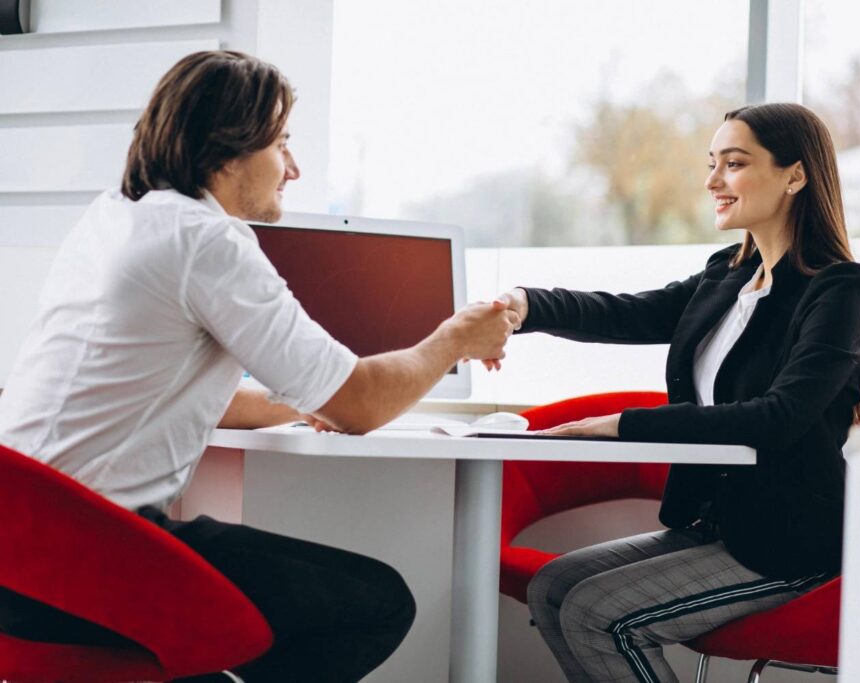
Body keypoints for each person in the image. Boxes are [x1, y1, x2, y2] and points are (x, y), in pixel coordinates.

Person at [0, 50, 518, 683]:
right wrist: (454, 339)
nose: (293, 168)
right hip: (86, 559)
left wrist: (299, 402)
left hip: (22, 555)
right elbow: (360, 404)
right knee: (373, 604)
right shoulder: (207, 239)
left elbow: (158, 391)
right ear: (225, 151)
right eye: (281, 144)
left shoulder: (117, 216)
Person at [497, 102, 860, 683]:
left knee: (598, 615)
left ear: (795, 176)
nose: (712, 181)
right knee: (554, 586)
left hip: (791, 543)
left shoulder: (838, 290)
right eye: (712, 163)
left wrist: (624, 424)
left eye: (734, 163)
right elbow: (627, 314)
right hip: (714, 526)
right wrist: (524, 306)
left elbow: (777, 418)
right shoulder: (727, 274)